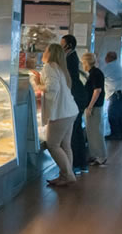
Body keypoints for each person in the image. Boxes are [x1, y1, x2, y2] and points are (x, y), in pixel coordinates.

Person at [39, 44, 80, 187]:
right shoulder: (60, 67)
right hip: (70, 111)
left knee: (53, 144)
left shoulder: (49, 66)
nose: (43, 52)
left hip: (61, 113)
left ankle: (68, 175)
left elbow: (52, 87)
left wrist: (37, 86)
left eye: (45, 50)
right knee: (65, 145)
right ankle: (66, 175)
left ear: (50, 53)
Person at [61, 34, 88, 175]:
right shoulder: (71, 57)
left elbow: (68, 80)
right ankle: (81, 163)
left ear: (68, 46)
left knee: (74, 132)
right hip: (78, 97)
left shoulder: (69, 59)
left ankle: (76, 164)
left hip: (75, 98)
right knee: (77, 131)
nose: (60, 47)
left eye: (62, 44)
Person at [81, 52, 107, 165]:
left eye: (83, 63)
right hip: (93, 106)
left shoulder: (96, 73)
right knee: (91, 131)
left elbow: (97, 90)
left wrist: (90, 106)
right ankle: (94, 155)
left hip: (95, 107)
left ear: (86, 62)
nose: (82, 65)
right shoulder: (93, 73)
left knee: (96, 132)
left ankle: (101, 156)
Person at [100, 51, 122, 140]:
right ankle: (120, 133)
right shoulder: (117, 65)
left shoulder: (109, 67)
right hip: (119, 93)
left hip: (114, 94)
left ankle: (115, 134)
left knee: (112, 115)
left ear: (108, 58)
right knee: (119, 114)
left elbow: (100, 76)